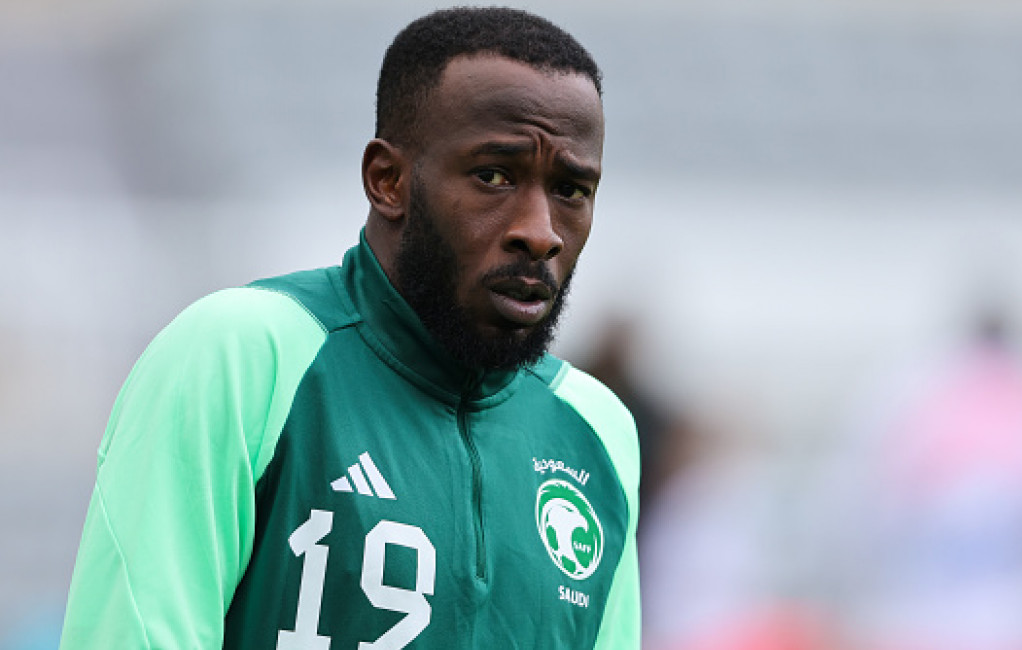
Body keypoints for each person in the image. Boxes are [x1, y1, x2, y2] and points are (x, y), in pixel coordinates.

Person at [59, 8, 640, 649]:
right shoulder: (243, 357)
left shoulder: (597, 432)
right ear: (386, 180)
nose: (541, 231)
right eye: (492, 176)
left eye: (570, 189)